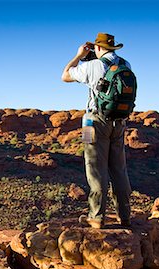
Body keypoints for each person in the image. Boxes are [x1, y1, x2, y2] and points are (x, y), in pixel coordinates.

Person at [61, 32, 132, 229]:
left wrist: (78, 55)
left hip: (92, 122)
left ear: (98, 48)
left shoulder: (91, 66)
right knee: (119, 168)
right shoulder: (125, 64)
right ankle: (125, 216)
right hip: (119, 122)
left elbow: (65, 75)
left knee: (94, 167)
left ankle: (96, 217)